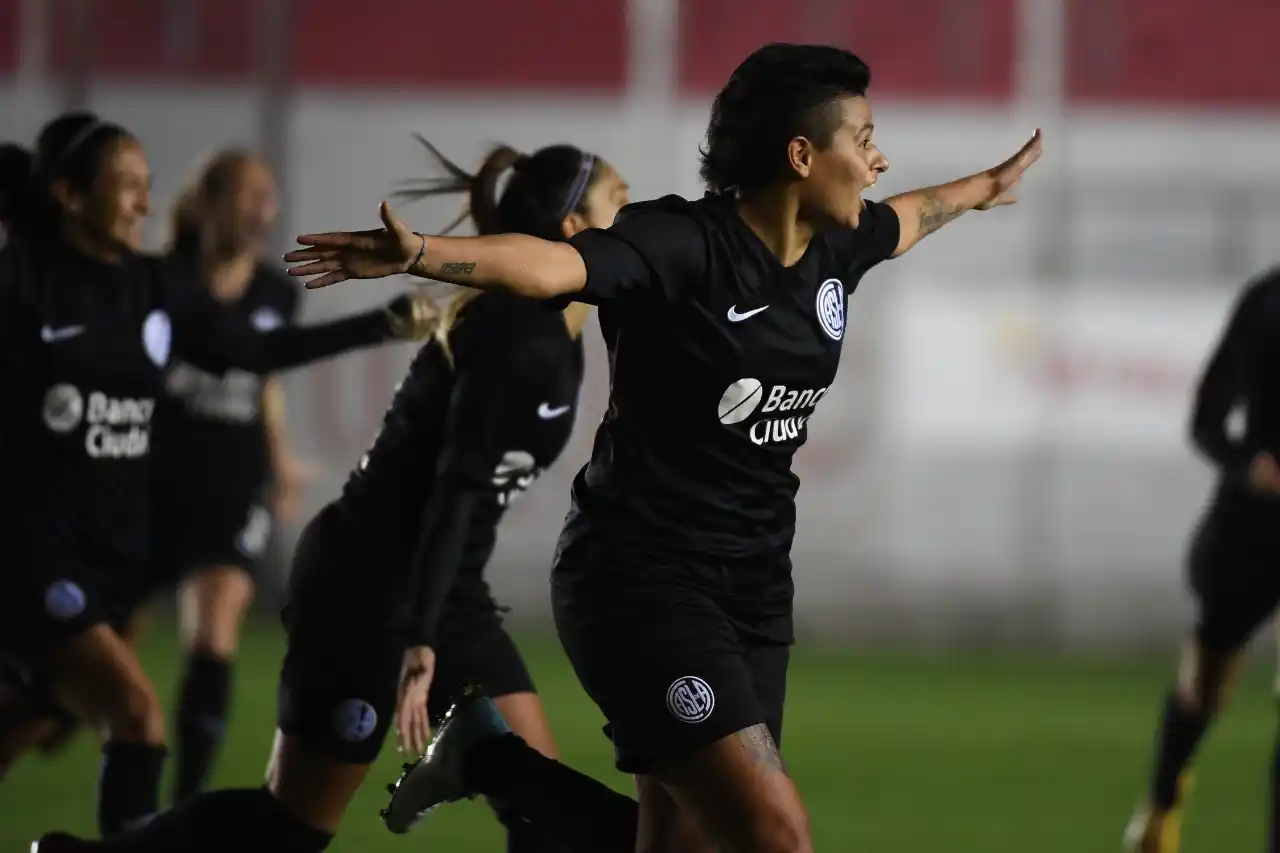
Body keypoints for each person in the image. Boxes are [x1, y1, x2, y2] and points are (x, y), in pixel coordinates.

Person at [286, 42, 1042, 853]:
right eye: (862, 139)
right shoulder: (684, 244)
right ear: (801, 155)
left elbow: (919, 213)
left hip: (754, 589)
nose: (878, 160)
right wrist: (425, 255)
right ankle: (496, 762)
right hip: (639, 580)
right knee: (775, 835)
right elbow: (550, 266)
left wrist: (985, 189)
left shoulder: (838, 249)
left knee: (688, 846)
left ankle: (493, 760)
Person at [34, 136, 629, 853]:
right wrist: (416, 636)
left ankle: (469, 750)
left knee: (542, 812)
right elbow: (454, 492)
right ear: (573, 230)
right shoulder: (518, 341)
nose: (636, 216)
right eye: (619, 202)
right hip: (366, 588)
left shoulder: (560, 330)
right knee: (289, 828)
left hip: (446, 591)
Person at [0, 110, 432, 836]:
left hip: (105, 553)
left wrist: (379, 324)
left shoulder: (150, 288)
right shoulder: (21, 286)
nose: (144, 201)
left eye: (147, 185)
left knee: (38, 716)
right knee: (135, 715)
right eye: (125, 186)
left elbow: (253, 353)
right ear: (71, 197)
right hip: (27, 548)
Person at [142, 149, 314, 803]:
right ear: (209, 202)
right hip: (154, 480)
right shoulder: (162, 281)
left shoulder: (277, 292)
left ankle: (185, 805)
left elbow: (263, 380)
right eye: (248, 194)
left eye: (268, 196)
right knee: (87, 673)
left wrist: (281, 456)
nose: (262, 209)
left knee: (215, 627)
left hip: (234, 479)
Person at [1123, 266, 1280, 853]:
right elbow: (1207, 418)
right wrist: (1249, 464)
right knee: (1203, 690)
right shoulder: (1267, 302)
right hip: (1253, 528)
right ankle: (1162, 805)